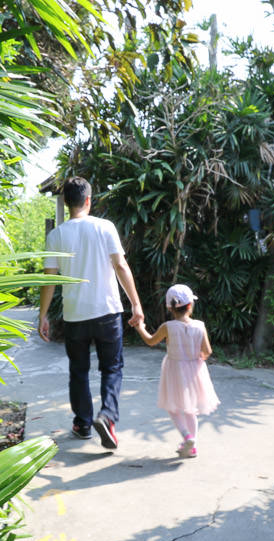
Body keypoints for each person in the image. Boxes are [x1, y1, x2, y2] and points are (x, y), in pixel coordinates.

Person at [38, 176, 144, 450]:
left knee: (79, 370)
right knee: (112, 368)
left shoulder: (56, 235)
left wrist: (43, 315)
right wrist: (136, 303)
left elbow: (49, 279)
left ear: (65, 202)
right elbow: (120, 266)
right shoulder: (104, 227)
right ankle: (107, 416)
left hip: (75, 316)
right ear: (88, 200)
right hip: (107, 311)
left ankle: (83, 423)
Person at [133, 284, 219, 458]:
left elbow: (151, 341)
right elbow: (207, 351)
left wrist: (139, 327)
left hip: (173, 369)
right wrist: (196, 360)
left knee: (172, 406)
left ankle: (187, 437)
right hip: (194, 369)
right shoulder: (200, 326)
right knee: (190, 408)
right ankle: (192, 444)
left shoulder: (168, 327)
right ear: (190, 305)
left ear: (170, 308)